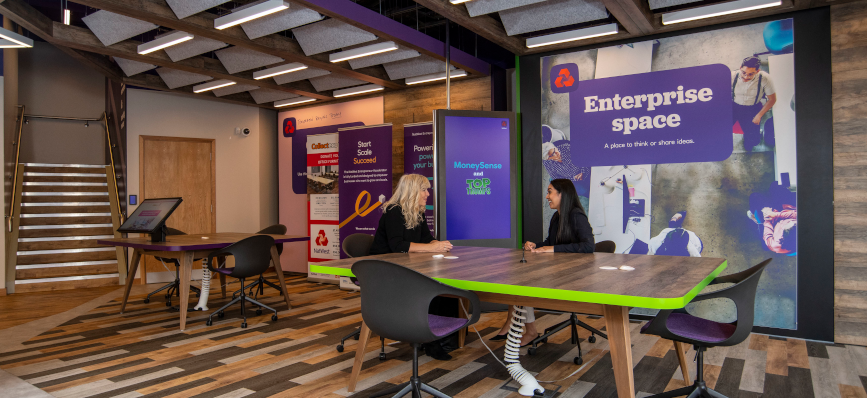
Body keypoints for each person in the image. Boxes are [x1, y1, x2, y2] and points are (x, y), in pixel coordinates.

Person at [490, 179, 595, 346]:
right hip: (558, 270)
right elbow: (551, 242)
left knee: (524, 283)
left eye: (550, 192)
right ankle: (518, 325)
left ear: (562, 194)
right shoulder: (556, 217)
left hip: (574, 276)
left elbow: (589, 246)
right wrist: (536, 245)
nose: (547, 196)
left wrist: (552, 249)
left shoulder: (576, 215)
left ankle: (529, 331)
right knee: (520, 279)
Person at [369, 174, 455, 360]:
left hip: (406, 266)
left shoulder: (418, 211)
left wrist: (438, 244)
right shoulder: (393, 211)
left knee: (444, 286)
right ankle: (432, 341)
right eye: (423, 189)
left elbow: (425, 238)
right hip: (386, 271)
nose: (427, 194)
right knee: (432, 287)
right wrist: (432, 247)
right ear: (412, 191)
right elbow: (397, 246)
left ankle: (442, 336)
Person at [732, 56, 777, 152]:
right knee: (720, 127)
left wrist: (759, 115)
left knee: (753, 140)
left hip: (752, 108)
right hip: (734, 106)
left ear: (757, 71)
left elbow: (772, 99)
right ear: (740, 67)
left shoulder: (764, 78)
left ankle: (749, 142)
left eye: (750, 74)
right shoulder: (732, 76)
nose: (745, 77)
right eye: (743, 72)